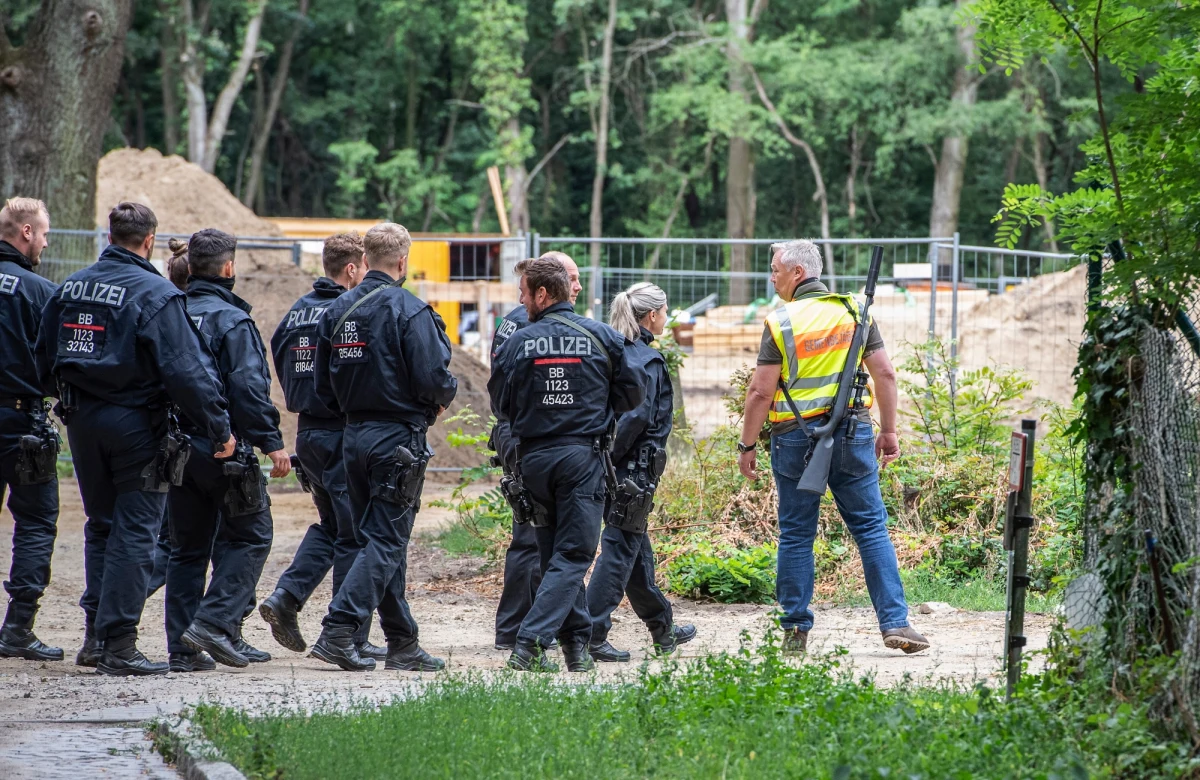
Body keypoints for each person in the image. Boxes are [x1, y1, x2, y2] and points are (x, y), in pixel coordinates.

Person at [36, 202, 234, 676]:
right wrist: (218, 427)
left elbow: (43, 355)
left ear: (110, 235)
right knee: (137, 532)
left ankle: (94, 637)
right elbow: (186, 371)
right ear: (148, 241)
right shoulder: (156, 293)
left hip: (81, 420)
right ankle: (119, 644)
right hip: (136, 427)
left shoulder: (70, 288)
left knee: (101, 525)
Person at [736, 239, 929, 656]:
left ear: (797, 274)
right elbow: (886, 375)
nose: (771, 276)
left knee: (796, 534)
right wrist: (890, 431)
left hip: (793, 438)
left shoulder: (781, 322)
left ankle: (795, 632)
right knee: (871, 529)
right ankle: (896, 622)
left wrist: (747, 444)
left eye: (775, 269)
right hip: (854, 434)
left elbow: (759, 392)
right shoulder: (855, 313)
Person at [309, 222, 456, 672]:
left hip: (352, 438)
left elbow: (322, 386)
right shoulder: (409, 310)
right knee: (387, 540)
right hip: (397, 441)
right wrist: (439, 400)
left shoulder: (335, 312)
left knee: (376, 538)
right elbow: (434, 379)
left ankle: (402, 643)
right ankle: (338, 629)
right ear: (404, 262)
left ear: (366, 260)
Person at [489, 257, 646, 672]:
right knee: (574, 554)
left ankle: (576, 647)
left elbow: (500, 405)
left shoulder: (517, 342)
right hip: (582, 458)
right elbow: (633, 395)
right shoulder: (601, 337)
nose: (520, 301)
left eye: (524, 293)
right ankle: (529, 643)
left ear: (542, 294)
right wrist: (589, 411)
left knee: (553, 556)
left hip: (534, 461)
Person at [165, 229, 290, 670]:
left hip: (174, 448)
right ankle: (215, 622)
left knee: (187, 548)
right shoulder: (232, 321)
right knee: (252, 534)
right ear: (229, 268)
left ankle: (184, 649)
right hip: (225, 448)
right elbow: (248, 391)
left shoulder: (169, 312)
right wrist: (272, 443)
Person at [259, 232, 385, 661]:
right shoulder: (345, 311)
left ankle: (287, 598)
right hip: (339, 432)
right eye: (365, 267)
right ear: (352, 269)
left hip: (307, 433)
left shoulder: (297, 311)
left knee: (332, 527)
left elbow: (278, 355)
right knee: (356, 536)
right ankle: (348, 636)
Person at [585, 282, 696, 662]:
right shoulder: (647, 361)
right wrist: (613, 463)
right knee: (619, 549)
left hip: (610, 465)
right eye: (665, 311)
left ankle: (662, 629)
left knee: (634, 548)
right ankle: (591, 632)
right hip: (632, 470)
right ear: (651, 315)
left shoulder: (614, 352)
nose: (666, 317)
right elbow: (634, 420)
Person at [490, 250, 583, 651]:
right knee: (531, 536)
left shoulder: (527, 322)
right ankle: (517, 630)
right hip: (527, 436)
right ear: (549, 285)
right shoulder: (522, 325)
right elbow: (504, 393)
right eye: (572, 278)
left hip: (529, 436)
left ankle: (529, 627)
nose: (578, 286)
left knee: (537, 535)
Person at [0, 197, 61, 661]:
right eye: (42, 234)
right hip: (22, 419)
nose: (43, 242)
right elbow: (58, 363)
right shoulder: (39, 291)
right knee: (36, 521)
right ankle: (18, 628)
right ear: (24, 232)